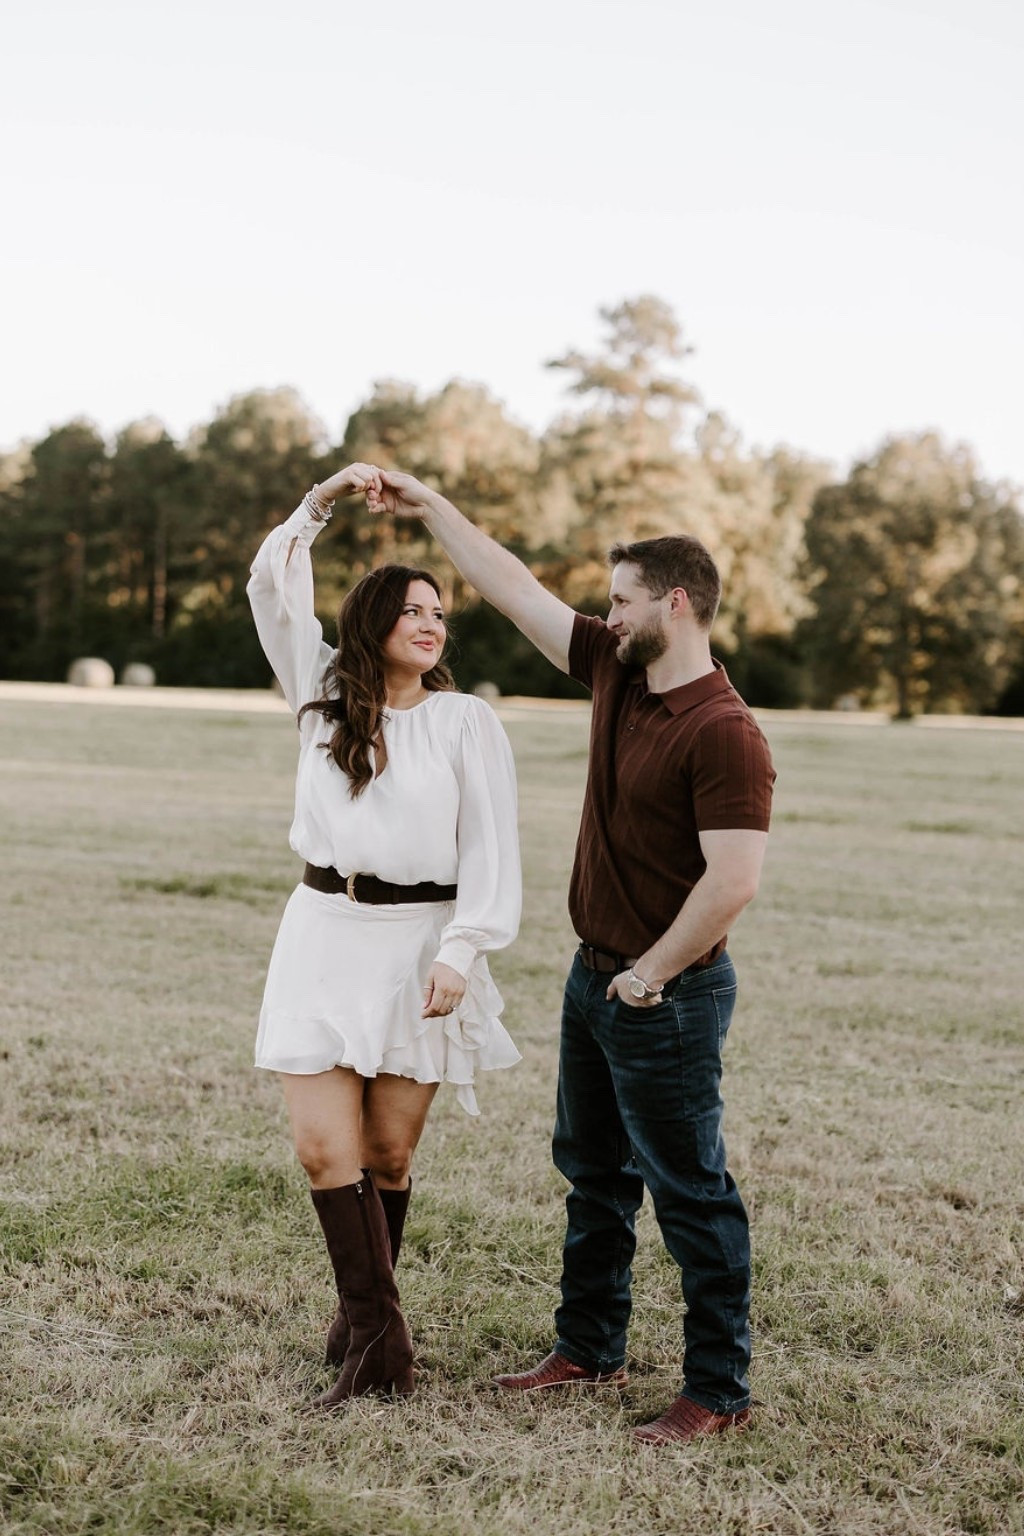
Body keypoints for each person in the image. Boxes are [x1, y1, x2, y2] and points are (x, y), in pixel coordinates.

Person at [365, 470, 775, 1446]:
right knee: (593, 1174)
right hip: (594, 978)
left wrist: (651, 974)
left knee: (689, 1190)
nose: (606, 613)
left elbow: (732, 880)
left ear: (674, 604)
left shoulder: (725, 734)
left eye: (622, 599)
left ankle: (717, 1391)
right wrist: (431, 509)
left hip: (661, 993)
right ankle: (588, 1350)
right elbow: (512, 587)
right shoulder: (616, 668)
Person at [246, 464, 521, 1407]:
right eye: (410, 608)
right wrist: (321, 500)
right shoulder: (321, 694)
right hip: (322, 933)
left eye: (438, 610)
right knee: (326, 1151)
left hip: (421, 944)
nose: (430, 622)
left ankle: (364, 1326)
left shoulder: (463, 722)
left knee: (389, 1157)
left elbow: (492, 848)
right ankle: (381, 1347)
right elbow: (269, 588)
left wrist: (460, 952)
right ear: (372, 624)